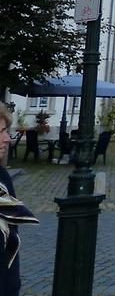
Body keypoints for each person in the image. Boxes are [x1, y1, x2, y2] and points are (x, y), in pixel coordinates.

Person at [0, 104, 39, 296]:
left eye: (6, 131)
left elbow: (11, 238)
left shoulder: (3, 179)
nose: (7, 138)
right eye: (1, 132)